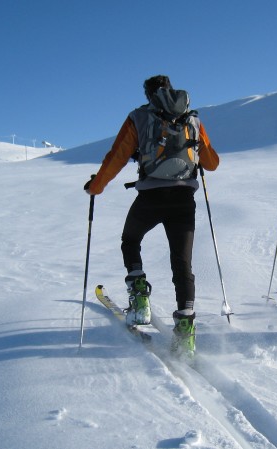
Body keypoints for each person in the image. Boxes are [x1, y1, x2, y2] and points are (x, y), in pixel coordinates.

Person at [84, 75, 220, 355]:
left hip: (151, 197)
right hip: (184, 199)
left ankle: (140, 299)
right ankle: (185, 332)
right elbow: (212, 163)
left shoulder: (139, 117)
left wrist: (96, 186)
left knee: (130, 239)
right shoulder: (192, 119)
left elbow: (117, 156)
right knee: (182, 264)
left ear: (148, 94)